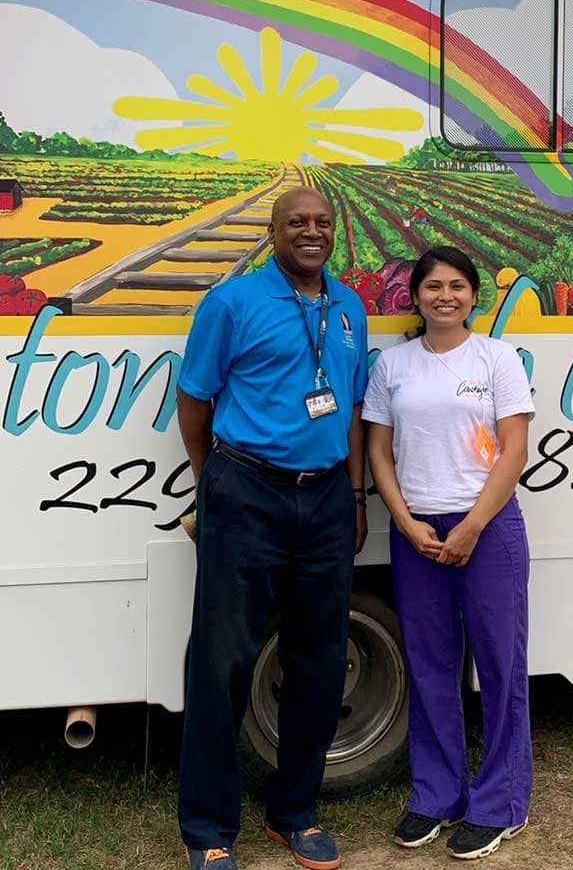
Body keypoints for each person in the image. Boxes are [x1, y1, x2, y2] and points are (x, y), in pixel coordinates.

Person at [176, 186, 368, 870]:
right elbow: (194, 397)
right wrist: (214, 480)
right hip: (246, 490)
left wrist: (353, 492)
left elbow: (347, 402)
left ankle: (295, 812)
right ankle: (207, 827)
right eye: (296, 222)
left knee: (318, 659)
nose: (310, 231)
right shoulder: (231, 303)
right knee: (222, 662)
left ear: (333, 231)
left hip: (324, 499)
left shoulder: (349, 307)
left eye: (321, 221)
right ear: (273, 230)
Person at [363, 246, 534, 861]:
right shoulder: (393, 365)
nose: (445, 296)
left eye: (458, 286)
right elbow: (378, 450)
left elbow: (513, 449)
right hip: (419, 536)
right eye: (433, 286)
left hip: (487, 530)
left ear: (473, 295)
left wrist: (472, 526)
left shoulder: (497, 358)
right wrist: (406, 523)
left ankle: (501, 804)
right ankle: (436, 796)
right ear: (414, 294)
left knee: (500, 667)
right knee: (431, 667)